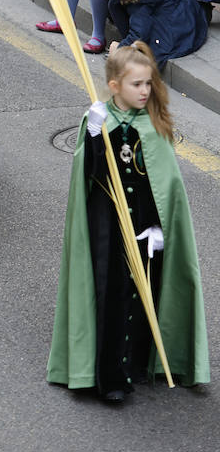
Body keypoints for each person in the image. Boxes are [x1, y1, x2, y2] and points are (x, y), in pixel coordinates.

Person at [47, 41, 209, 403]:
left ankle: (138, 362)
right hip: (108, 222)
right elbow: (89, 176)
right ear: (115, 85)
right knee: (112, 294)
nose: (145, 91)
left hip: (145, 224)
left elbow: (164, 185)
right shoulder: (98, 117)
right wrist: (92, 136)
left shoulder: (153, 125)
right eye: (137, 84)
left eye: (148, 84)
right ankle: (110, 377)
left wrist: (157, 226)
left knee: (142, 293)